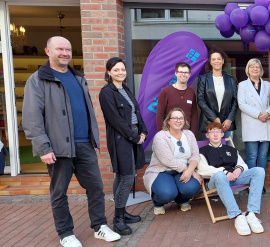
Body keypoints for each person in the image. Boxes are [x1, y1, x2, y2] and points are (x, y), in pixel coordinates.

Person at [22, 36, 120, 247]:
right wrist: (43, 147)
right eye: (60, 49)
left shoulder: (78, 77)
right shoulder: (38, 80)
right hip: (57, 148)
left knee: (96, 188)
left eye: (68, 49)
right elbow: (32, 118)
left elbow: (86, 111)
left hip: (84, 144)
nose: (65, 53)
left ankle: (100, 226)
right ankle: (65, 233)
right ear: (48, 51)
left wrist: (93, 137)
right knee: (59, 193)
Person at [98, 57, 147, 235]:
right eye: (116, 70)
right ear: (109, 72)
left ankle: (122, 212)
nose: (121, 73)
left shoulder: (125, 89)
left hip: (133, 135)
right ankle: (118, 219)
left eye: (123, 70)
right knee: (126, 177)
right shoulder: (106, 93)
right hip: (121, 138)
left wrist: (143, 131)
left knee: (123, 175)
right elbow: (116, 120)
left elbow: (136, 112)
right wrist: (134, 136)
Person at [196, 122, 266, 236]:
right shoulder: (202, 151)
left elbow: (243, 165)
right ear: (207, 135)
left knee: (259, 171)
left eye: (218, 132)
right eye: (212, 132)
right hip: (215, 181)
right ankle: (237, 216)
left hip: (233, 179)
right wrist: (224, 172)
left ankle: (251, 213)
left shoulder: (231, 149)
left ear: (222, 134)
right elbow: (202, 170)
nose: (215, 134)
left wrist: (237, 170)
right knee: (220, 175)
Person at [143, 108, 202, 215]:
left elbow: (195, 155)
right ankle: (158, 202)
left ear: (184, 121)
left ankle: (181, 200)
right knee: (167, 193)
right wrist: (190, 172)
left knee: (193, 187)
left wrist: (190, 169)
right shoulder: (161, 136)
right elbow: (168, 160)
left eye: (181, 118)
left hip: (182, 171)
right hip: (162, 171)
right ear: (168, 121)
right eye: (174, 118)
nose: (178, 120)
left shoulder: (189, 134)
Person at [237, 58, 270, 172]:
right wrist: (258, 114)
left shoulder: (268, 85)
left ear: (261, 70)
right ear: (248, 69)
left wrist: (267, 112)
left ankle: (260, 182)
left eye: (257, 67)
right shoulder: (242, 85)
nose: (255, 69)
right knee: (252, 156)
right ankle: (251, 183)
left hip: (265, 123)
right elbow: (242, 104)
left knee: (263, 156)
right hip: (251, 125)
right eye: (252, 67)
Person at [197, 50, 238, 140]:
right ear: (210, 62)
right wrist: (214, 118)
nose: (216, 61)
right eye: (214, 59)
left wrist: (229, 119)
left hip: (226, 124)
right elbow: (200, 100)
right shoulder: (203, 79)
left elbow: (235, 101)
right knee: (210, 152)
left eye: (219, 59)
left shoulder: (231, 79)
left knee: (227, 151)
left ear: (223, 61)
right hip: (209, 122)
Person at [156, 62, 198, 133]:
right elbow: (160, 115)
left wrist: (192, 133)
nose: (183, 74)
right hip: (169, 133)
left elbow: (194, 115)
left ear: (189, 74)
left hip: (186, 133)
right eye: (180, 72)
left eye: (186, 72)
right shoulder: (166, 91)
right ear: (176, 73)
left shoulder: (191, 92)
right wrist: (163, 134)